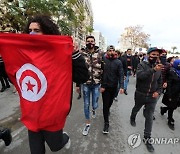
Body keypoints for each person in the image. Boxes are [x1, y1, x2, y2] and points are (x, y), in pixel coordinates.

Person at [23, 15, 89, 154]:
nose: (32, 33)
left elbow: (82, 77)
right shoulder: (25, 54)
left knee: (55, 146)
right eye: (30, 30)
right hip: (33, 111)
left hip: (53, 111)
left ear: (47, 32)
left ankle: (63, 138)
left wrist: (75, 54)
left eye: (37, 30)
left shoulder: (60, 53)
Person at [130, 47, 163, 152]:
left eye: (157, 55)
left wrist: (158, 92)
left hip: (152, 97)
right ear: (148, 55)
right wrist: (153, 70)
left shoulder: (159, 68)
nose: (155, 57)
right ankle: (132, 116)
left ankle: (147, 138)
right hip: (140, 94)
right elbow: (140, 76)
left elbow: (160, 83)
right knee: (136, 108)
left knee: (149, 117)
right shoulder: (141, 65)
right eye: (153, 54)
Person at [76, 35, 102, 136]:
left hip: (96, 83)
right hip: (85, 84)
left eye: (92, 41)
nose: (90, 42)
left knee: (94, 104)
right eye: (88, 41)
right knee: (86, 104)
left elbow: (103, 69)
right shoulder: (81, 54)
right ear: (86, 42)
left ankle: (94, 109)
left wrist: (103, 83)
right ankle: (87, 123)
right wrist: (78, 85)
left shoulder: (100, 54)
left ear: (95, 43)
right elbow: (78, 69)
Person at [100, 45, 124, 134]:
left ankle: (107, 110)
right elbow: (100, 72)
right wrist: (101, 85)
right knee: (105, 105)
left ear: (115, 52)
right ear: (106, 51)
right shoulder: (103, 60)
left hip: (114, 87)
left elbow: (121, 74)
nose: (111, 52)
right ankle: (106, 123)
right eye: (109, 50)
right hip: (105, 87)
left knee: (109, 103)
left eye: (112, 50)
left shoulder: (118, 62)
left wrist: (122, 86)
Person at [161, 59, 180, 130]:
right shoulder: (172, 72)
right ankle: (170, 120)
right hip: (172, 93)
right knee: (172, 107)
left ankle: (164, 109)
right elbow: (169, 84)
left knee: (175, 106)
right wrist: (169, 95)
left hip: (178, 94)